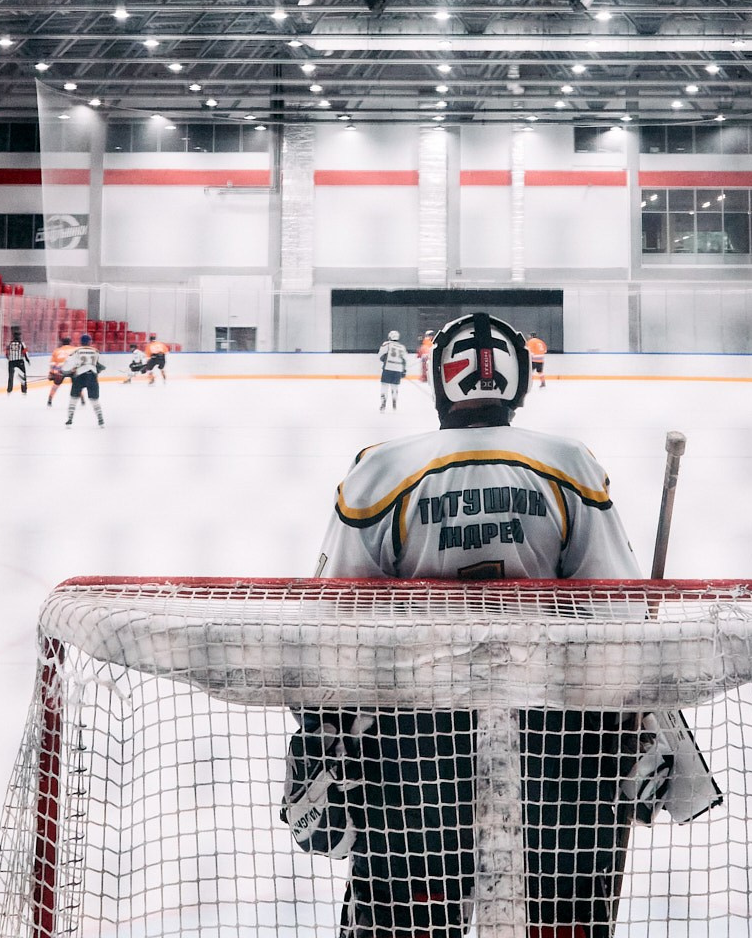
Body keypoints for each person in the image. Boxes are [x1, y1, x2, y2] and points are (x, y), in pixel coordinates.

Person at [293, 312, 710, 938]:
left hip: (415, 748)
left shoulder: (379, 471)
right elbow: (617, 616)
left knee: (407, 911)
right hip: (559, 744)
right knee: (562, 911)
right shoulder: (569, 464)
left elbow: (333, 623)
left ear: (438, 382)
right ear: (519, 386)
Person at [63, 334, 106, 428]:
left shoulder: (77, 351)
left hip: (79, 376)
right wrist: (96, 370)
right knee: (94, 400)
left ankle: (69, 419)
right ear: (90, 342)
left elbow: (67, 365)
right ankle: (100, 419)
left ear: (81, 342)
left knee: (73, 398)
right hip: (92, 376)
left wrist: (66, 372)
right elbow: (103, 365)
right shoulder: (96, 351)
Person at [376, 329, 408, 411]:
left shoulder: (386, 344)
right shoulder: (402, 347)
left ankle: (383, 402)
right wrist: (404, 370)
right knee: (395, 386)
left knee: (384, 385)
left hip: (388, 367)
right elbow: (405, 359)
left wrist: (384, 360)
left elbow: (381, 355)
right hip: (398, 369)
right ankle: (394, 400)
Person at [4, 328, 31, 394]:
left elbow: (6, 353)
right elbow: (25, 353)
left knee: (11, 376)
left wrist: (9, 359)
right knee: (22, 376)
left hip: (11, 362)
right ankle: (24, 390)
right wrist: (27, 360)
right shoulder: (22, 343)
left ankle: (9, 390)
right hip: (19, 361)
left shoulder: (9, 344)